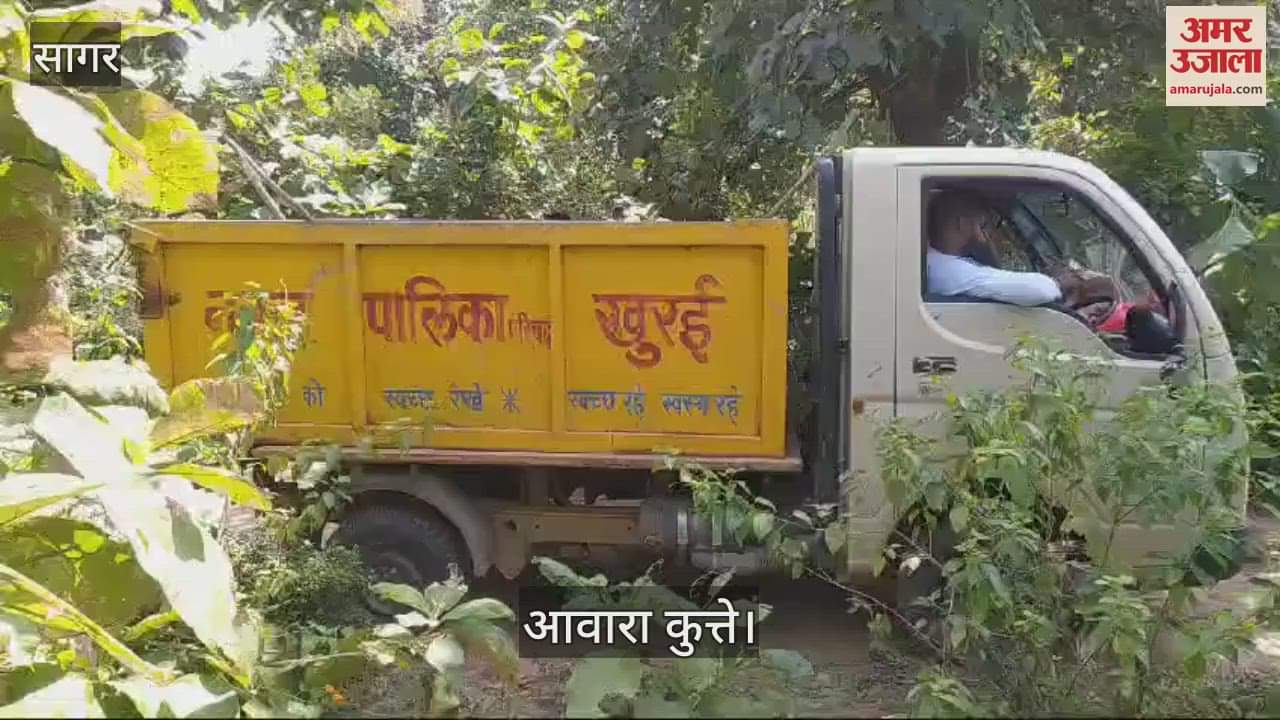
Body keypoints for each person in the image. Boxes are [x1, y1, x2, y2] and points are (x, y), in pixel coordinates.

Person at [926, 191, 1115, 320]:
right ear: (962, 224)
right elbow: (1041, 291)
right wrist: (1061, 282)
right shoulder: (942, 269)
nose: (987, 235)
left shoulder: (942, 263)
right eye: (983, 224)